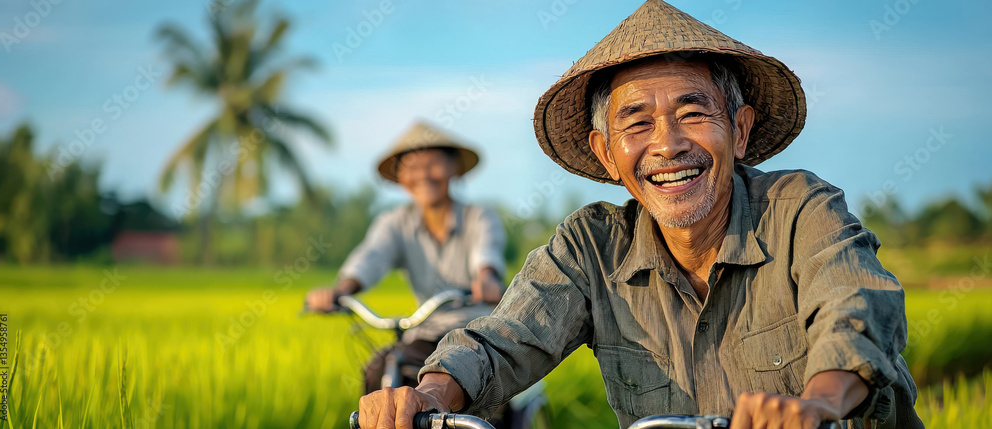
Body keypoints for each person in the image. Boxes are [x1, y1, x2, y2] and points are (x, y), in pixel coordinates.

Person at [355, 2, 925, 429]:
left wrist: (818, 403)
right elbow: (504, 338)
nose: (668, 145)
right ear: (607, 153)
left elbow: (855, 310)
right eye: (637, 124)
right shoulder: (590, 247)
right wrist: (429, 394)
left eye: (692, 112)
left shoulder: (799, 208)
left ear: (741, 130)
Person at [305, 121, 506, 393]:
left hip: (474, 330)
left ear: (453, 168)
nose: (422, 174)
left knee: (468, 386)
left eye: (432, 163)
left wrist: (486, 279)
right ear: (401, 178)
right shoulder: (395, 222)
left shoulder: (478, 217)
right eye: (411, 167)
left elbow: (487, 252)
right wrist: (341, 291)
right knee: (382, 371)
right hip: (426, 331)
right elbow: (372, 256)